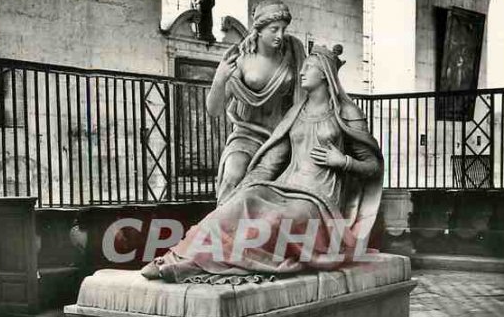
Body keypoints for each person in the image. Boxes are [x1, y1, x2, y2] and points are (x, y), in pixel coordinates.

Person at [141, 45, 383, 284]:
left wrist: (343, 161)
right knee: (237, 204)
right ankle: (178, 258)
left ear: (325, 73)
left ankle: (198, 264)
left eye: (309, 67)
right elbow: (271, 160)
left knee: (274, 221)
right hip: (285, 186)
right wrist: (245, 186)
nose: (301, 72)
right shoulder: (296, 112)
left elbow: (372, 165)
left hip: (318, 199)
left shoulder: (346, 111)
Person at [206, 0, 305, 204]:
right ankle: (219, 228)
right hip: (247, 134)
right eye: (274, 29)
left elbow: (307, 90)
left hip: (282, 135)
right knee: (233, 175)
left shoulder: (293, 51)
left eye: (283, 29)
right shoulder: (241, 60)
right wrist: (219, 78)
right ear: (259, 30)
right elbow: (214, 110)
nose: (280, 35)